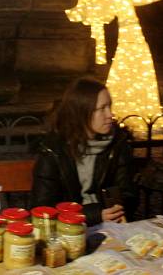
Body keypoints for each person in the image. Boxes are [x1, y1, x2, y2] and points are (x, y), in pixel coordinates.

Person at [31, 77, 137, 226]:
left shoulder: (117, 144)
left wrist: (117, 207)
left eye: (109, 107)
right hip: (68, 228)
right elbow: (42, 207)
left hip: (112, 225)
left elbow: (128, 194)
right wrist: (93, 214)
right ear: (82, 112)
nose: (110, 115)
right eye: (102, 109)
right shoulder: (53, 150)